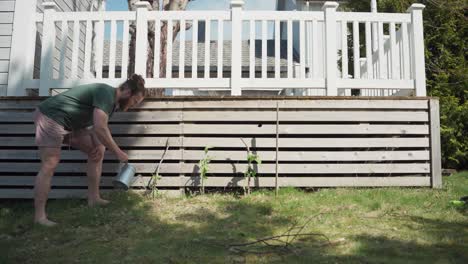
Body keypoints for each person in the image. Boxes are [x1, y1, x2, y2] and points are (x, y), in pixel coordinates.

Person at [33, 74, 146, 226]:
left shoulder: (112, 104)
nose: (134, 105)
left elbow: (94, 128)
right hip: (51, 117)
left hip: (71, 123)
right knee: (50, 163)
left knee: (98, 150)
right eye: (135, 101)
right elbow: (100, 128)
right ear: (127, 92)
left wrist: (96, 146)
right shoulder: (106, 93)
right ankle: (39, 217)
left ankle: (94, 198)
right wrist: (118, 152)